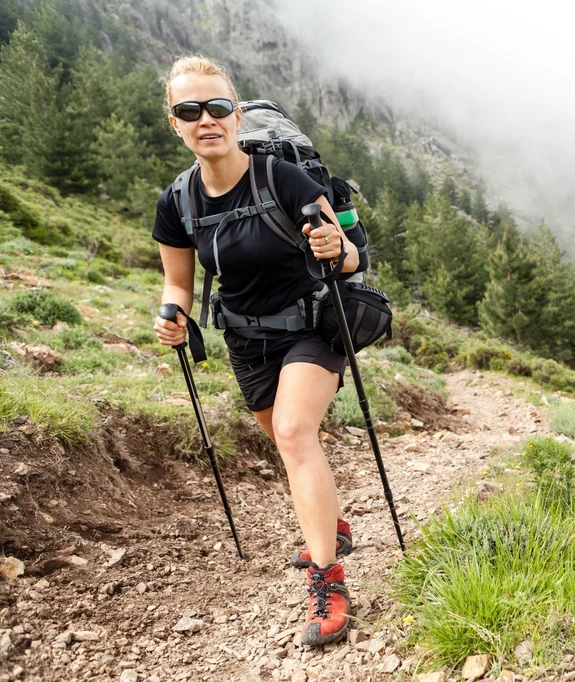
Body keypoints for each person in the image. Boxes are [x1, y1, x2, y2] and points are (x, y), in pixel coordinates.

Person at [151, 55, 357, 647]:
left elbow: (350, 259)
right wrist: (173, 316)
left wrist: (332, 245)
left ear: (236, 115)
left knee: (295, 434)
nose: (206, 119)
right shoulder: (178, 202)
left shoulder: (282, 179)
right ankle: (332, 525)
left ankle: (329, 582)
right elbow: (178, 283)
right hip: (244, 337)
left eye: (217, 107)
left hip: (311, 325)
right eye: (190, 110)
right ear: (175, 123)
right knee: (284, 439)